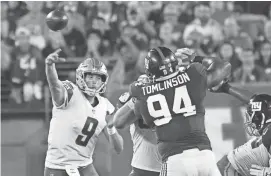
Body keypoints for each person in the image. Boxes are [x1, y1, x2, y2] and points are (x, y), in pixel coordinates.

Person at [124, 46, 231, 176]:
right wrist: (195, 59)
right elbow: (224, 67)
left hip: (175, 160)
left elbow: (144, 119)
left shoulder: (140, 90)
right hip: (205, 156)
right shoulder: (193, 74)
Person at [44, 49, 123, 176]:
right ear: (82, 77)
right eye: (90, 76)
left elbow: (118, 148)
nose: (94, 81)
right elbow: (54, 85)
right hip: (58, 166)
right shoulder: (70, 93)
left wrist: (111, 128)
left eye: (98, 78)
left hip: (84, 165)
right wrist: (50, 66)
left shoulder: (105, 106)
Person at [213, 81, 271, 176]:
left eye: (255, 117)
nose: (253, 123)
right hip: (230, 169)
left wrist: (227, 88)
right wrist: (226, 88)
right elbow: (255, 101)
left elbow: (255, 101)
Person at [113, 74, 161, 176]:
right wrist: (137, 99)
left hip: (171, 167)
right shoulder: (134, 99)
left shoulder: (169, 95)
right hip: (142, 168)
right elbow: (118, 122)